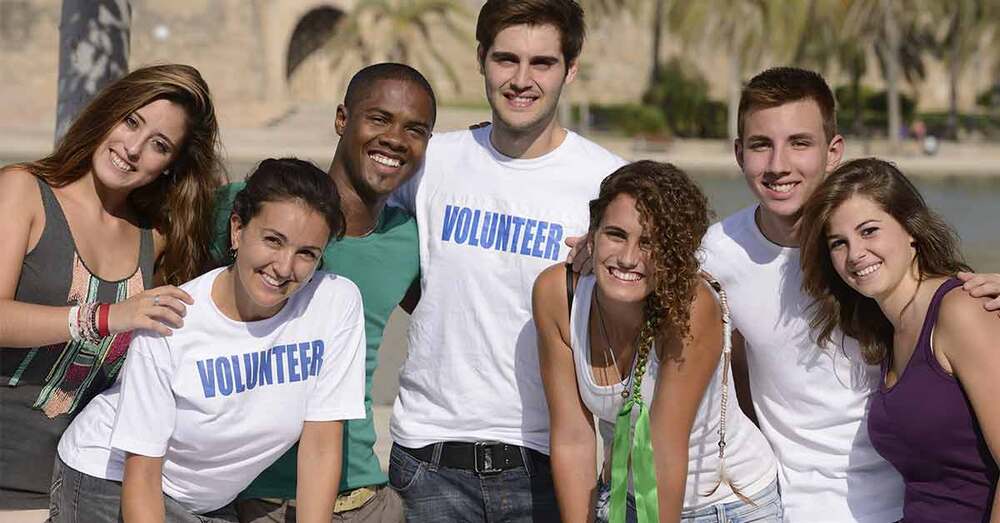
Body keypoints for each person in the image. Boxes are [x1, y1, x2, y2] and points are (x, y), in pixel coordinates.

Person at [696, 67, 1000, 522]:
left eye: (800, 142)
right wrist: (590, 258)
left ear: (833, 151)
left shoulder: (894, 264)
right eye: (761, 145)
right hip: (791, 507)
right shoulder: (716, 254)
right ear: (738, 153)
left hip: (906, 502)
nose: (779, 164)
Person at [387, 0, 626, 520]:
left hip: (547, 464)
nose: (522, 79)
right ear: (481, 59)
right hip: (428, 458)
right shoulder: (430, 163)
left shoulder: (609, 184)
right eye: (506, 59)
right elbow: (350, 231)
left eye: (542, 62)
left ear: (571, 68)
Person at [50, 158, 366, 523]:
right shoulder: (173, 321)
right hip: (111, 480)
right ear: (237, 230)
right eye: (273, 240)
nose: (283, 267)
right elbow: (143, 473)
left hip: (207, 501)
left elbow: (322, 444)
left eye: (306, 253)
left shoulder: (335, 303)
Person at [0, 63, 223, 514]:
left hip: (79, 491)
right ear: (108, 113)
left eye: (159, 146)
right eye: (131, 121)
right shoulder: (23, 191)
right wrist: (105, 316)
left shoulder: (156, 237)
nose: (134, 149)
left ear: (170, 167)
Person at [219, 63, 435, 523]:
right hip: (257, 498)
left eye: (414, 129)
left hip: (363, 497)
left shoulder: (409, 243)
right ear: (342, 119)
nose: (395, 138)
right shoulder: (250, 205)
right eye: (378, 119)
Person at [534, 161, 780, 523]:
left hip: (727, 506)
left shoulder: (690, 309)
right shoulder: (559, 294)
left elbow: (664, 447)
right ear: (593, 232)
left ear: (675, 254)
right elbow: (573, 437)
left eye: (649, 243)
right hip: (625, 499)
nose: (629, 258)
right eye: (616, 234)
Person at [798, 158, 1000, 521]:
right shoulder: (890, 330)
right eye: (838, 243)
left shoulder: (960, 310)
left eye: (869, 230)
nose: (856, 254)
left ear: (911, 228)